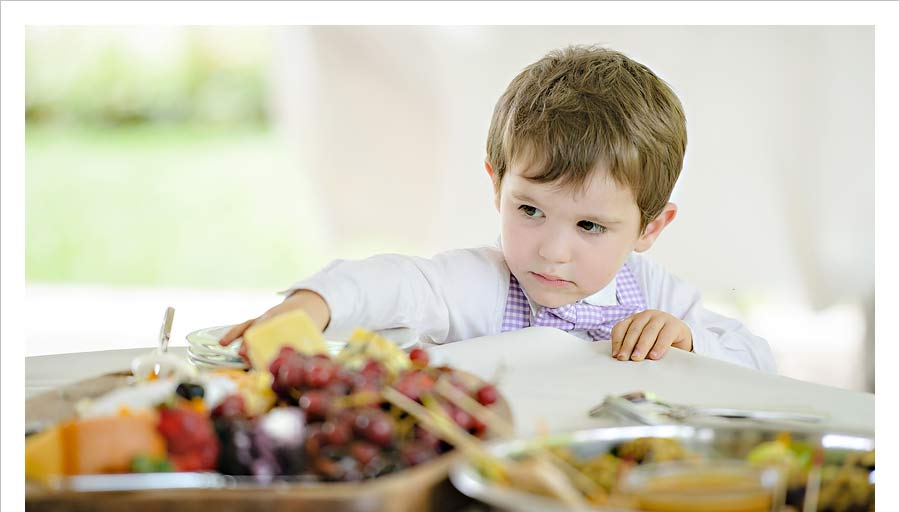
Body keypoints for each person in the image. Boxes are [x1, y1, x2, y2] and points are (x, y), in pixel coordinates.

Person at [222, 45, 776, 373]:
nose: (551, 250)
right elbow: (398, 282)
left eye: (589, 226)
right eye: (530, 210)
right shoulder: (482, 284)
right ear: (497, 186)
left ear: (650, 227)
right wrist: (315, 304)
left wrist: (688, 342)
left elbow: (758, 361)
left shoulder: (659, 297)